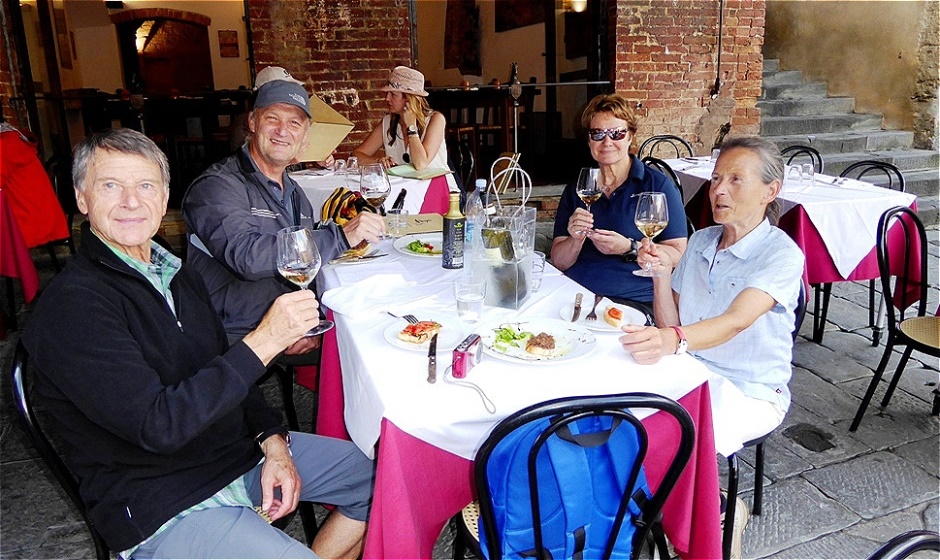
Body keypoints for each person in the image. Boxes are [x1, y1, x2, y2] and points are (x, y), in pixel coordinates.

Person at [22, 128, 373, 559]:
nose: (131, 201)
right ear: (82, 198)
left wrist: (273, 441)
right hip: (161, 498)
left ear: (164, 197)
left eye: (145, 185)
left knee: (379, 483)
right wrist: (264, 341)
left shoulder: (174, 272)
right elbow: (160, 426)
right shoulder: (73, 306)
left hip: (233, 455)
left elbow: (227, 370)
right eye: (110, 185)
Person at [621, 135, 804, 444]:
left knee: (655, 439)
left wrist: (670, 340)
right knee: (610, 413)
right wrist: (661, 275)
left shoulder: (781, 254)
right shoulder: (701, 240)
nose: (718, 189)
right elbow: (672, 325)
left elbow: (736, 321)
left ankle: (692, 478)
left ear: (770, 191)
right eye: (716, 178)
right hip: (688, 370)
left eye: (736, 180)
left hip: (747, 391)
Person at [183, 76, 386, 351]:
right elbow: (247, 257)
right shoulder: (217, 186)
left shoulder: (294, 193)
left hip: (281, 319)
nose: (282, 131)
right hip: (233, 333)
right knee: (368, 345)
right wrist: (339, 237)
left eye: (294, 123)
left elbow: (302, 269)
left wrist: (309, 319)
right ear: (253, 122)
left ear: (305, 135)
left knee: (377, 320)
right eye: (272, 119)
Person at [550, 93, 688, 316]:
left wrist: (629, 247)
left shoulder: (657, 185)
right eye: (598, 134)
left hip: (632, 300)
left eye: (617, 133)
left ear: (630, 136)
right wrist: (575, 240)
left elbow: (678, 255)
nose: (607, 142)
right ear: (589, 140)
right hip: (576, 295)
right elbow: (559, 262)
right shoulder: (579, 188)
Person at [351, 65, 458, 190]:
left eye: (393, 94)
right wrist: (378, 161)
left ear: (409, 99)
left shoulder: (435, 120)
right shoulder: (388, 123)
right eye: (387, 93)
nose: (387, 98)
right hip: (407, 191)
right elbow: (356, 156)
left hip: (441, 191)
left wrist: (411, 127)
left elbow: (421, 164)